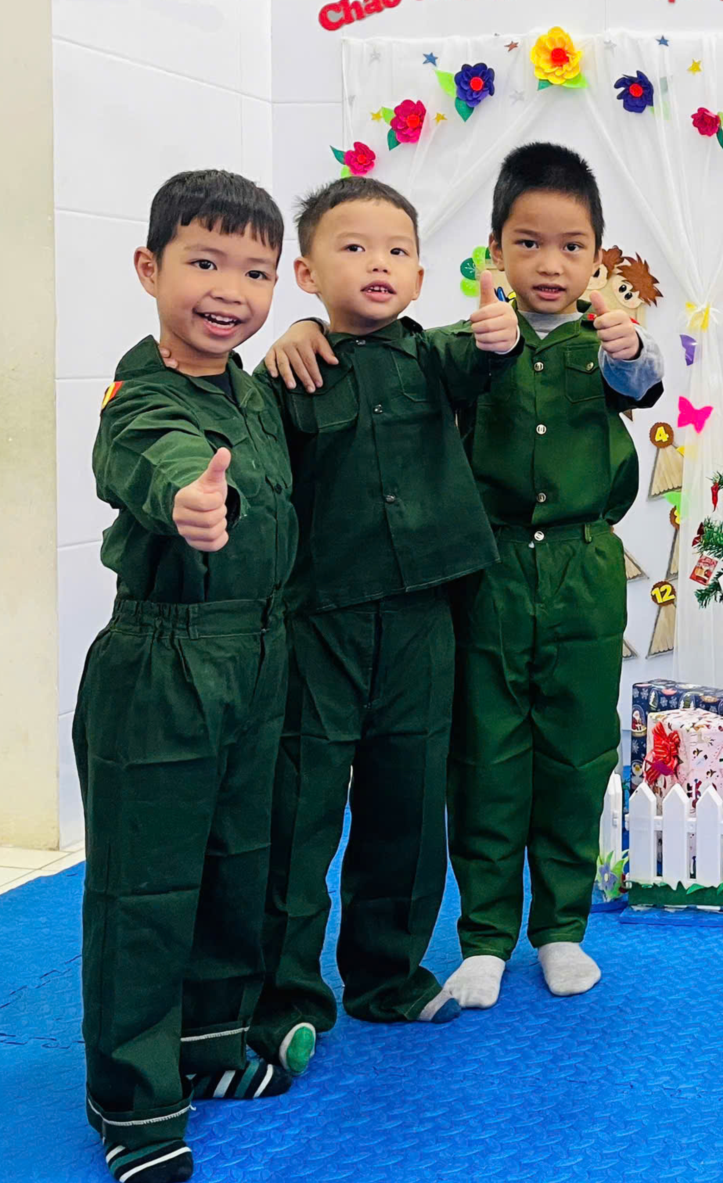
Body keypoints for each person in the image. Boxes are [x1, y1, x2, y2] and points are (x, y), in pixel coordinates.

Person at [268, 144, 662, 1008]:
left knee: (577, 751)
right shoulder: (466, 341)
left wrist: (632, 345)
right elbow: (375, 349)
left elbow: (642, 378)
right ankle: (484, 934)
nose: (549, 264)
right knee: (484, 753)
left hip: (585, 568)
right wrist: (302, 329)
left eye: (571, 246)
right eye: (528, 243)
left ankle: (560, 928)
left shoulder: (609, 344)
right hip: (486, 569)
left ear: (597, 256)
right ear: (495, 251)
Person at [246, 177, 523, 1078]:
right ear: (305, 272)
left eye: (398, 250)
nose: (379, 263)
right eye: (354, 247)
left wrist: (500, 329)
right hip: (318, 622)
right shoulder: (287, 371)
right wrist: (291, 335)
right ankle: (286, 996)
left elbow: (488, 351)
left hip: (420, 617)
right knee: (300, 812)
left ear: (419, 276)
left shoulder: (435, 355)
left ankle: (389, 975)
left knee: (407, 805)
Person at [75, 170, 298, 1183]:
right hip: (164, 659)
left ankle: (207, 1045)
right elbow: (157, 460)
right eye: (204, 262)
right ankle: (130, 1097)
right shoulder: (141, 398)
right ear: (149, 267)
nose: (230, 290)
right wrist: (188, 504)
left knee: (236, 857)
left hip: (257, 651)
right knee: (146, 885)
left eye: (255, 271)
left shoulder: (250, 389)